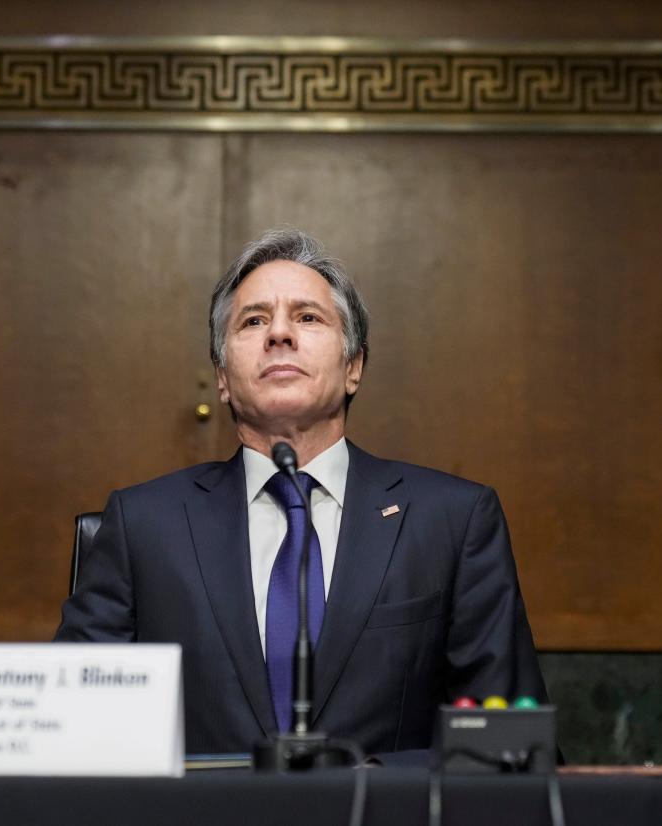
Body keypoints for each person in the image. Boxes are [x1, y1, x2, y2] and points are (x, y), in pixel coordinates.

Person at [55, 227, 547, 756]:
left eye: (308, 317)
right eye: (254, 320)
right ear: (222, 377)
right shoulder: (142, 524)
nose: (279, 334)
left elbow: (511, 749)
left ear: (353, 366)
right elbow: (70, 730)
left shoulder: (453, 520)